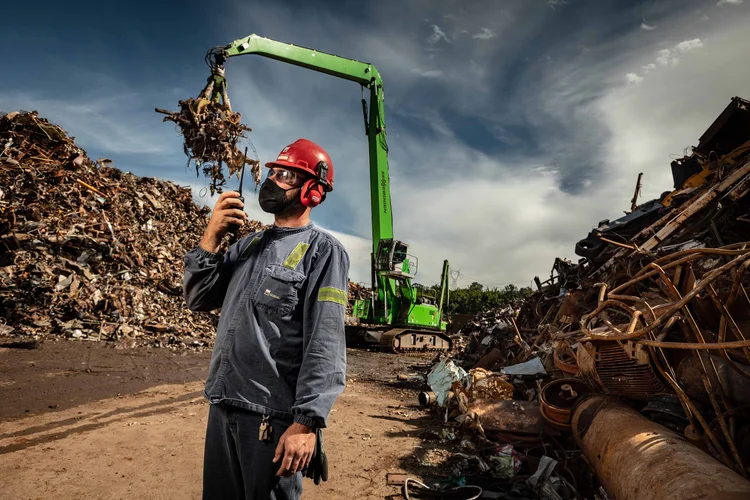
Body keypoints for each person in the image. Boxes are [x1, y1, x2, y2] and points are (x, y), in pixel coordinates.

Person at [183, 138, 350, 500]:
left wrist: (306, 423)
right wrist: (211, 238)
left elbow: (325, 342)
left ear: (312, 192)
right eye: (272, 172)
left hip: (270, 419)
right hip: (223, 405)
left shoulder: (323, 252)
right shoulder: (247, 246)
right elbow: (198, 299)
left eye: (286, 176)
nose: (271, 181)